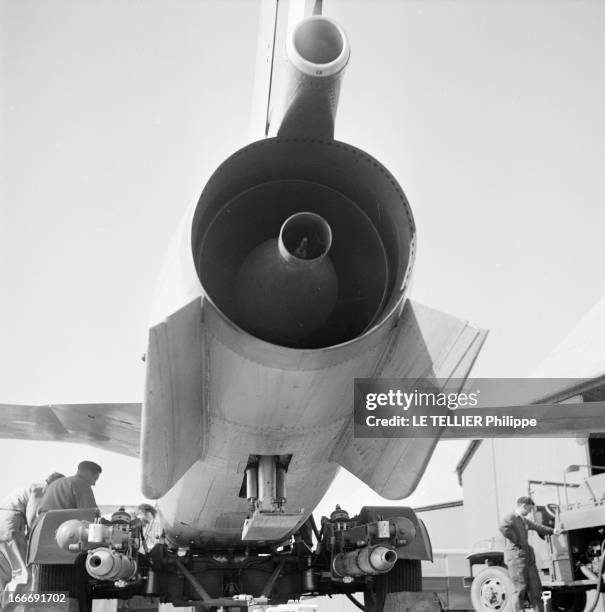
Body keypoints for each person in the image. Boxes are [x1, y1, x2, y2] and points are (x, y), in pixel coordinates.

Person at [0, 473, 64, 596]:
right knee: (24, 574)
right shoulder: (40, 490)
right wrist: (33, 537)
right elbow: (32, 517)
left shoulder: (26, 487)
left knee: (4, 573)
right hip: (11, 526)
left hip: (2, 523)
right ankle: (10, 607)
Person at [499, 496, 558, 612]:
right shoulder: (511, 517)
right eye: (529, 509)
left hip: (528, 555)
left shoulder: (523, 520)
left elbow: (538, 527)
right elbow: (503, 527)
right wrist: (516, 539)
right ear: (523, 506)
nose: (529, 512)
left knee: (535, 588)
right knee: (520, 589)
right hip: (516, 556)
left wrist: (553, 531)